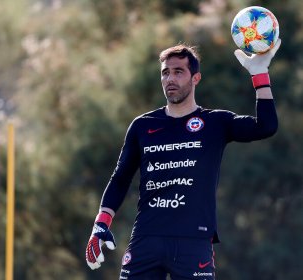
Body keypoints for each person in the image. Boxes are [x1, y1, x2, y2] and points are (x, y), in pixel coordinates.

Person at [85, 39, 281, 280]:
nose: (170, 79)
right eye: (165, 73)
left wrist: (260, 73)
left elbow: (266, 126)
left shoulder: (216, 123)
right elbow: (121, 177)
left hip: (194, 241)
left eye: (179, 72)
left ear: (195, 78)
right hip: (147, 237)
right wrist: (101, 224)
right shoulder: (142, 125)